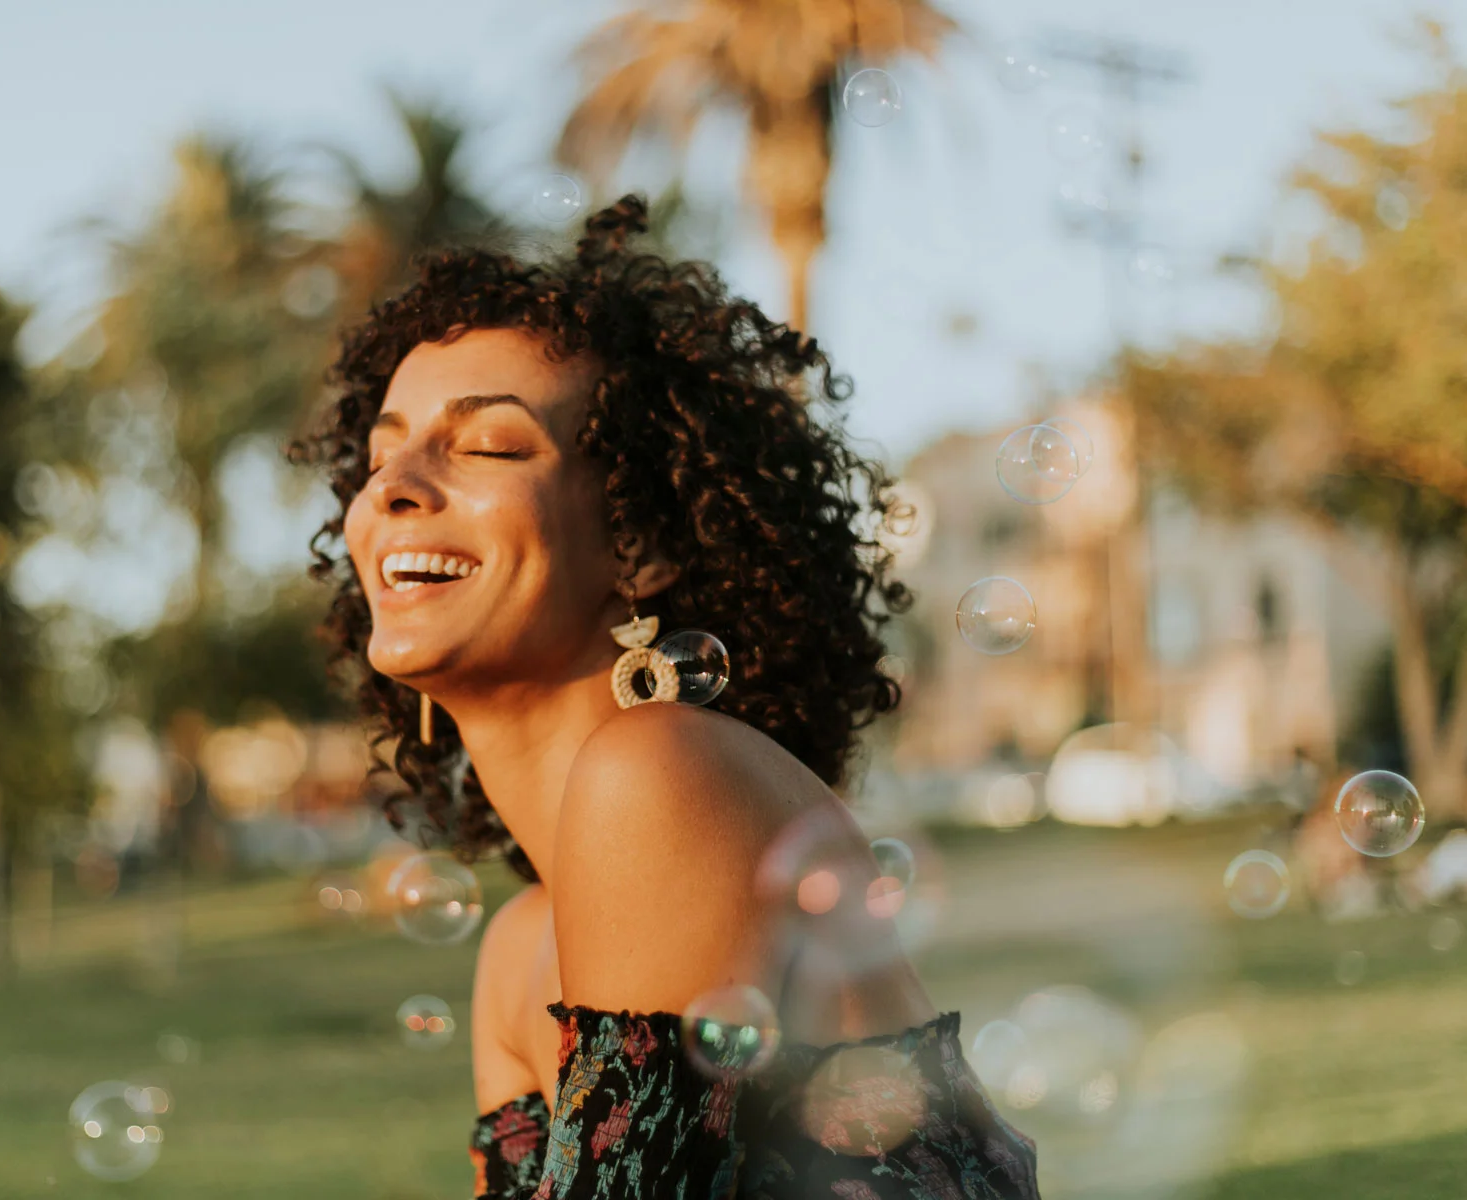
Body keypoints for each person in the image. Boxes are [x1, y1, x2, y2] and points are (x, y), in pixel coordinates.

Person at [294, 196, 1038, 1199]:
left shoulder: (661, 773)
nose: (393, 488)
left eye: (491, 446)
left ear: (639, 545)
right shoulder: (517, 951)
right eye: (381, 456)